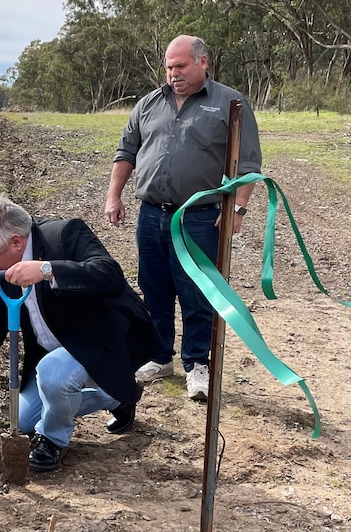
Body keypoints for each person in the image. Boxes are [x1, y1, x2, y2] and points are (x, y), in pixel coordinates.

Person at [0, 196, 158, 472]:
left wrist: (47, 270)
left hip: (99, 337)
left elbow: (109, 274)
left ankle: (52, 439)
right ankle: (119, 395)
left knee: (53, 373)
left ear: (16, 241)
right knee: (22, 421)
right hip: (52, 349)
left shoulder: (64, 234)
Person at [104, 35, 262, 401]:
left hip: (200, 219)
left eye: (181, 66)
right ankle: (159, 357)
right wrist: (114, 195)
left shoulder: (230, 103)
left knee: (197, 293)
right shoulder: (148, 104)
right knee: (154, 288)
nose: (174, 74)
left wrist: (236, 209)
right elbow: (127, 150)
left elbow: (249, 163)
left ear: (202, 62)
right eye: (169, 67)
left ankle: (197, 364)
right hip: (151, 215)